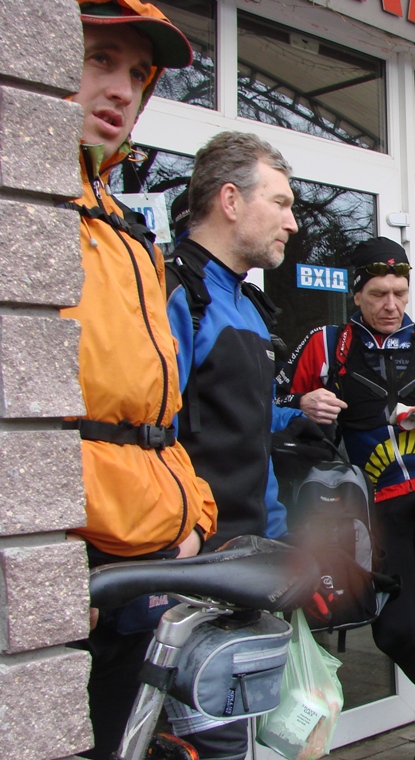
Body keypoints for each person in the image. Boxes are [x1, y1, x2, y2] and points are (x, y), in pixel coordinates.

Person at [277, 236, 415, 760]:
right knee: (394, 629)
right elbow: (272, 396)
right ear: (356, 294)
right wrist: (302, 402)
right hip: (375, 500)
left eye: (400, 293)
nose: (391, 305)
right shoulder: (326, 343)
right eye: (378, 294)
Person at [61, 2, 218, 757]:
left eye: (136, 73)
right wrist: (51, 560)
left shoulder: (127, 230)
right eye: (99, 58)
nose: (122, 89)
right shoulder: (30, 207)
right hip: (70, 559)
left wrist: (192, 521)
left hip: (139, 556)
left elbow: (153, 414)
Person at [162, 131, 309, 758]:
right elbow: (149, 432)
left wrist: (296, 417)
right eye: (280, 203)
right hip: (188, 570)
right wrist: (177, 541)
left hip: (248, 564)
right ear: (230, 200)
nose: (293, 223)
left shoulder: (248, 304)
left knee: (240, 738)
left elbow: (236, 421)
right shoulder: (174, 292)